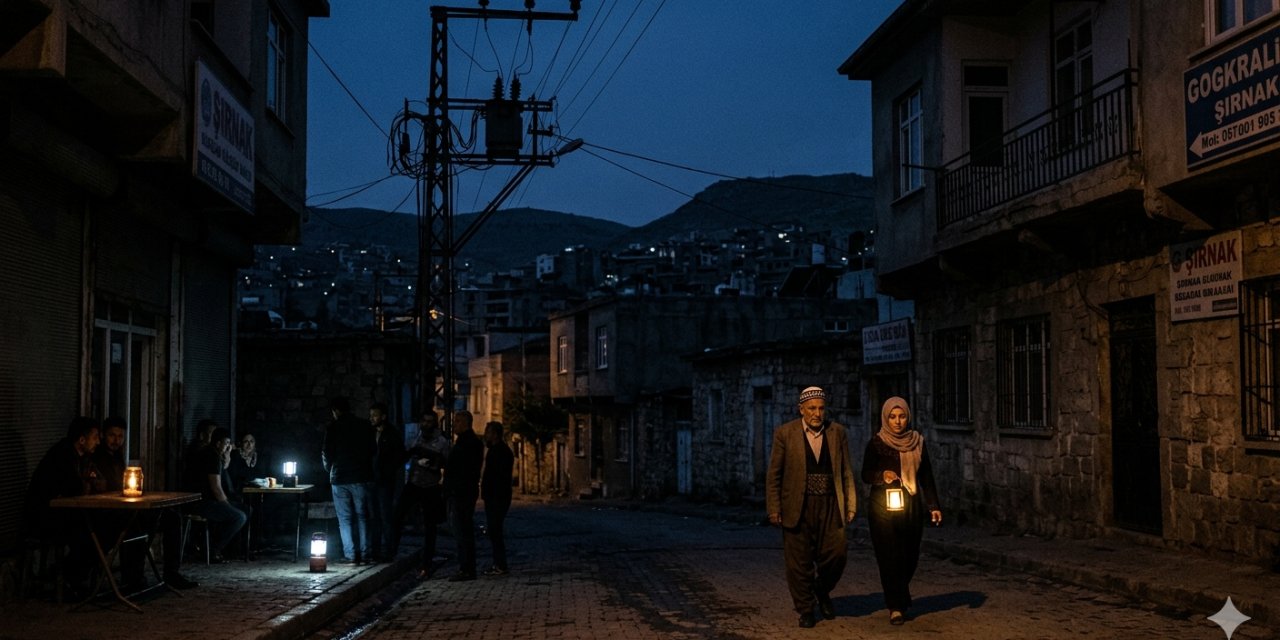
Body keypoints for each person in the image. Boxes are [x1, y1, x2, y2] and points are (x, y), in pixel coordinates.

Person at [765, 386, 857, 628]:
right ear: (801, 410)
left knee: (837, 553)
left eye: (821, 408)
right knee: (799, 562)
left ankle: (821, 589)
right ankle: (805, 609)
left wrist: (850, 502)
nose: (817, 413)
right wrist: (774, 508)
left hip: (829, 504)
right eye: (812, 408)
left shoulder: (837, 432)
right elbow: (774, 474)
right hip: (797, 505)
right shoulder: (785, 433)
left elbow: (846, 471)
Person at [862, 396, 942, 626]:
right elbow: (865, 474)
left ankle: (900, 590)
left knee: (910, 555)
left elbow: (926, 475)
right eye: (892, 417)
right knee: (889, 556)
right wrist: (882, 476)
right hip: (882, 507)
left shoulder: (917, 442)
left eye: (902, 416)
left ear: (908, 416)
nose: (897, 421)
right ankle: (895, 606)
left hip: (911, 504)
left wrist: (933, 505)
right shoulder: (877, 443)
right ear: (885, 418)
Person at [390, 411, 450, 578]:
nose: (426, 424)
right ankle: (392, 550)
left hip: (430, 486)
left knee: (430, 526)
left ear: (435, 423)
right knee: (397, 515)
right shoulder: (415, 437)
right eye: (424, 421)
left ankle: (427, 562)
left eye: (430, 421)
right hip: (414, 483)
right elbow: (406, 454)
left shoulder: (442, 442)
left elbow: (445, 462)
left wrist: (433, 465)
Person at [322, 396, 375, 564]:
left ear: (336, 411)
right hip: (360, 476)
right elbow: (373, 449)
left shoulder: (333, 427)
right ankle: (366, 554)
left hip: (339, 477)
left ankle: (351, 555)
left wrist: (330, 469)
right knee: (362, 516)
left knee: (344, 518)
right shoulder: (365, 426)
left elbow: (326, 453)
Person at [185, 427, 248, 563]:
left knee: (246, 509)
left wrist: (227, 456)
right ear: (218, 443)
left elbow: (223, 468)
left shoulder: (214, 455)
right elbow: (216, 488)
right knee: (239, 517)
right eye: (226, 444)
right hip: (202, 502)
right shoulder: (212, 456)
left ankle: (233, 551)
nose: (228, 447)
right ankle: (212, 550)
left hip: (207, 500)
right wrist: (227, 504)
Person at [444, 410, 484, 582]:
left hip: (462, 492)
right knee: (461, 530)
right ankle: (466, 567)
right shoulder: (465, 442)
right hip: (461, 491)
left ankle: (466, 568)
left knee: (462, 531)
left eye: (458, 421)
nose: (454, 424)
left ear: (467, 423)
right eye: (454, 421)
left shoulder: (469, 443)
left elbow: (463, 469)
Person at [369, 402, 404, 562]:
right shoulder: (370, 433)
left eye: (375, 415)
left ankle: (389, 550)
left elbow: (398, 457)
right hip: (372, 480)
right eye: (371, 415)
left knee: (385, 516)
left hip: (385, 481)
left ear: (383, 417)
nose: (372, 418)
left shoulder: (392, 434)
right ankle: (375, 550)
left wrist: (388, 471)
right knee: (374, 516)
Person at [480, 420, 514, 576]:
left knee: (495, 531)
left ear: (494, 434)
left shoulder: (499, 452)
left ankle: (500, 565)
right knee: (495, 531)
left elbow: (496, 476)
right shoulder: (499, 450)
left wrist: (490, 493)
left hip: (497, 497)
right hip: (497, 496)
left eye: (488, 432)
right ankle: (499, 564)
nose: (486, 435)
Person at [93, 417, 128, 492]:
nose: (116, 440)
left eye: (120, 436)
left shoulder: (118, 457)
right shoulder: (95, 456)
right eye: (112, 435)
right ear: (102, 435)